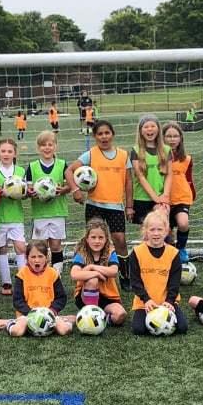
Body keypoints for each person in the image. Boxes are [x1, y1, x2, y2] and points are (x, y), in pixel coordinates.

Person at [66, 120, 133, 289]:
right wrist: (75, 190)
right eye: (100, 134)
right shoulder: (91, 154)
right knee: (93, 241)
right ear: (95, 137)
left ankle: (125, 275)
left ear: (112, 134)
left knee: (120, 240)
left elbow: (129, 182)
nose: (104, 137)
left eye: (107, 133)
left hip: (116, 206)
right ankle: (87, 273)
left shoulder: (123, 155)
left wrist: (129, 206)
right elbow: (69, 171)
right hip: (94, 205)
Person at [0, 240, 72, 337]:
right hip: (27, 316)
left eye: (40, 256)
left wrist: (52, 310)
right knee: (16, 332)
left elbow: (61, 298)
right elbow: (17, 300)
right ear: (27, 258)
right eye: (33, 257)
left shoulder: (52, 274)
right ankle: (10, 322)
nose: (37, 260)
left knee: (64, 330)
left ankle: (63, 320)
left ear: (46, 257)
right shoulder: (22, 274)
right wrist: (31, 313)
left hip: (48, 315)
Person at [129, 211, 188, 335]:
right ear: (145, 231)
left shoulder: (173, 253)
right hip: (145, 303)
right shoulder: (137, 252)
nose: (156, 233)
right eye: (152, 229)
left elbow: (175, 282)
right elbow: (135, 282)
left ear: (166, 231)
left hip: (167, 302)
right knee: (138, 329)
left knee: (182, 328)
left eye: (160, 229)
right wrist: (147, 300)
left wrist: (170, 301)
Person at [26, 131, 70, 274]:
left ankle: (56, 274)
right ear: (38, 148)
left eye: (50, 144)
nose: (47, 148)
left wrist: (63, 190)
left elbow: (70, 185)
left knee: (56, 245)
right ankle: (42, 274)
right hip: (40, 214)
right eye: (43, 145)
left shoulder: (62, 164)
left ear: (55, 146)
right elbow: (27, 188)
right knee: (40, 247)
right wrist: (30, 192)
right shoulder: (32, 167)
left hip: (57, 212)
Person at [70, 218, 127, 326]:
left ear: (106, 239)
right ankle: (91, 316)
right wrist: (96, 273)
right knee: (93, 280)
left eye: (101, 237)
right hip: (85, 295)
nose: (97, 241)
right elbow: (74, 274)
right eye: (93, 237)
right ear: (87, 239)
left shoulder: (110, 252)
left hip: (107, 296)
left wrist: (92, 267)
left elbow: (114, 271)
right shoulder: (82, 253)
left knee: (120, 315)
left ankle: (90, 318)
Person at [0, 138, 27, 296]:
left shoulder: (20, 170)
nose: (6, 154)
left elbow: (25, 193)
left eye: (9, 151)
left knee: (20, 247)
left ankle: (23, 281)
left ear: (15, 153)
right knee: (2, 248)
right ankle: (6, 283)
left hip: (16, 216)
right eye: (3, 151)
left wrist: (19, 193)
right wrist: (0, 193)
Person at [161, 122, 195, 263]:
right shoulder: (158, 158)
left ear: (180, 138)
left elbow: (189, 178)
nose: (172, 139)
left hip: (182, 197)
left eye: (175, 136)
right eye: (168, 136)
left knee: (183, 223)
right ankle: (168, 253)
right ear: (162, 138)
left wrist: (192, 193)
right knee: (166, 230)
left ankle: (181, 248)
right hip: (164, 199)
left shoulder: (186, 158)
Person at [130, 114, 172, 226]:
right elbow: (141, 177)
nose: (150, 129)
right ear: (140, 131)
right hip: (142, 198)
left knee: (161, 228)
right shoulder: (136, 150)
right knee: (147, 232)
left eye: (153, 126)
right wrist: (156, 198)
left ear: (158, 129)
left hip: (161, 197)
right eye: (146, 127)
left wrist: (165, 196)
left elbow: (169, 175)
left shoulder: (166, 150)